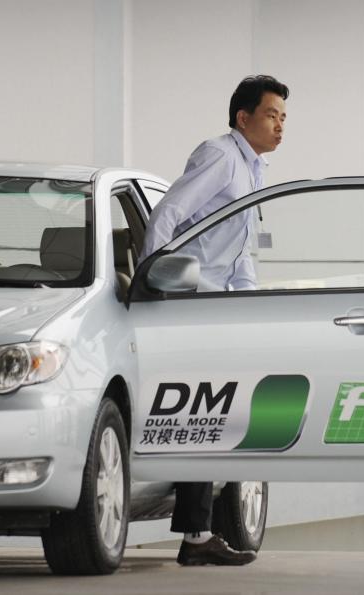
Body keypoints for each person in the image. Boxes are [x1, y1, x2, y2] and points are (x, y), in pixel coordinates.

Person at [141, 74, 288, 566]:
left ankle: (198, 534)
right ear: (243, 118)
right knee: (202, 419)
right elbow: (167, 215)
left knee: (212, 419)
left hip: (216, 308)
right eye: (272, 115)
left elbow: (242, 248)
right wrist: (153, 284)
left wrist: (248, 306)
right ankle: (197, 536)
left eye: (284, 117)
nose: (280, 125)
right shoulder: (222, 156)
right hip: (188, 302)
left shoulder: (254, 168)